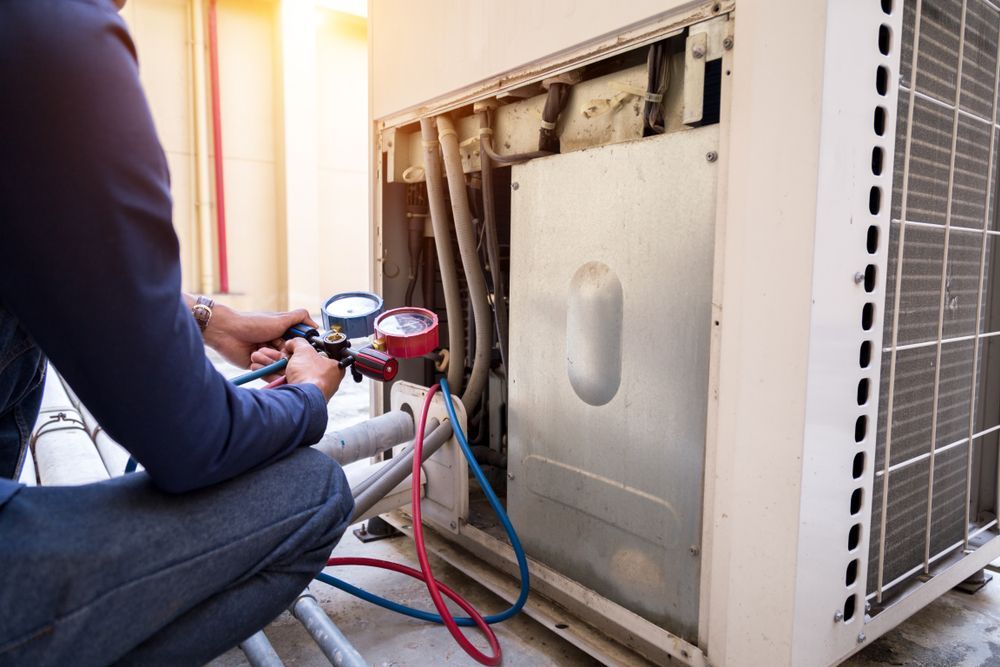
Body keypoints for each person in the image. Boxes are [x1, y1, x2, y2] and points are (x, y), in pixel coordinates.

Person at [0, 0, 355, 664]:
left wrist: (216, 323)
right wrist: (304, 396)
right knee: (313, 492)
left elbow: (56, 245)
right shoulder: (60, 37)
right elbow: (195, 442)